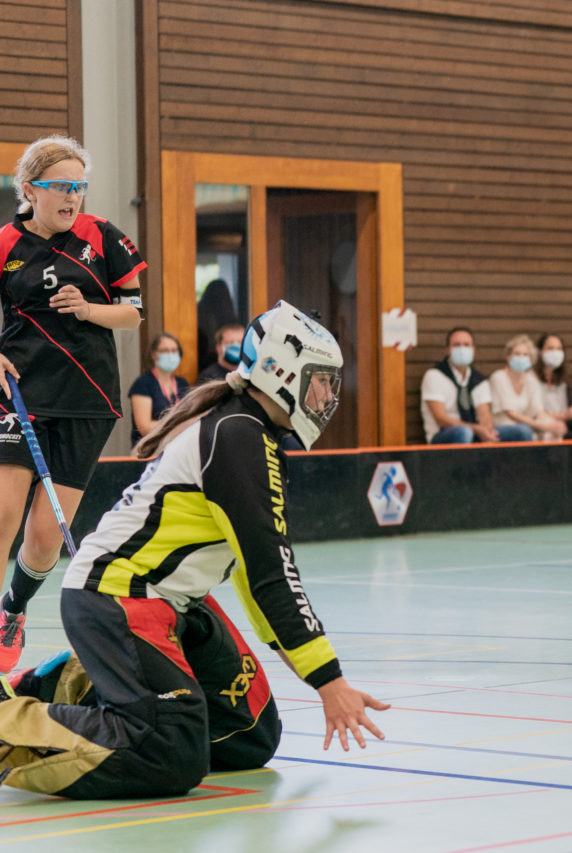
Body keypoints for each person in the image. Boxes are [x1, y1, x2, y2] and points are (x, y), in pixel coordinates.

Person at [0, 301, 388, 798]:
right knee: (171, 751)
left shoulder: (253, 434)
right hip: (118, 596)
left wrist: (318, 678)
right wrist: (330, 683)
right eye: (321, 380)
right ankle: (12, 716)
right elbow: (275, 576)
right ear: (283, 372)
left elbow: (256, 580)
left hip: (177, 606)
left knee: (248, 736)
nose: (327, 395)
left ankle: (90, 684)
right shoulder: (238, 436)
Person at [0, 135, 146, 672]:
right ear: (31, 190)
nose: (72, 197)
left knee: (42, 537)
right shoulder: (5, 244)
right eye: (61, 186)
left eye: (79, 187)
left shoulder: (103, 237)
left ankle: (12, 608)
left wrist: (87, 309)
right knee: (3, 513)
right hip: (20, 393)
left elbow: (133, 315)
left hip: (87, 396)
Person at [420, 327, 532, 444]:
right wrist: (475, 429)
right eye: (457, 345)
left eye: (466, 345)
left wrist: (487, 434)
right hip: (443, 435)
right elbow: (441, 419)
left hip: (476, 433)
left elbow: (485, 417)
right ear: (448, 350)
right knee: (464, 432)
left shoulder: (478, 380)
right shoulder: (435, 376)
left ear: (473, 349)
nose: (462, 349)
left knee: (523, 431)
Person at [490, 334, 566, 441]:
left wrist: (554, 424)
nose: (521, 357)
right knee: (526, 430)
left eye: (525, 355)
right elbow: (511, 414)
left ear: (530, 359)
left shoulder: (531, 379)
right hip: (503, 426)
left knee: (552, 429)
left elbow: (539, 412)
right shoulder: (498, 377)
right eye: (517, 354)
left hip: (527, 425)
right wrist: (539, 426)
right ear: (508, 357)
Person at [128, 332, 190, 446]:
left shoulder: (182, 383)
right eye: (165, 351)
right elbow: (144, 428)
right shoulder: (143, 383)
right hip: (148, 449)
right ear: (154, 355)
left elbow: (191, 418)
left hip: (178, 446)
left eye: (174, 351)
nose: (171, 355)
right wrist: (177, 422)